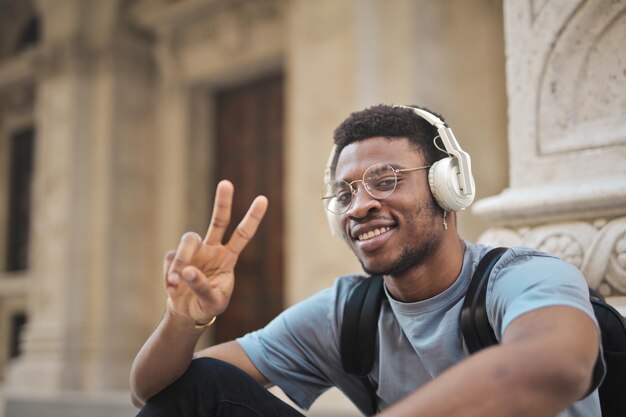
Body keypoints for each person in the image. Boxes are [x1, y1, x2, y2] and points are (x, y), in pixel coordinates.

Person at [130, 104, 602, 417]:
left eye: (387, 179)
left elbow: (555, 365)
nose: (359, 206)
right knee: (206, 384)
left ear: (447, 186)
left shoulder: (522, 276)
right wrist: (183, 320)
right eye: (345, 192)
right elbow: (158, 393)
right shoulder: (347, 311)